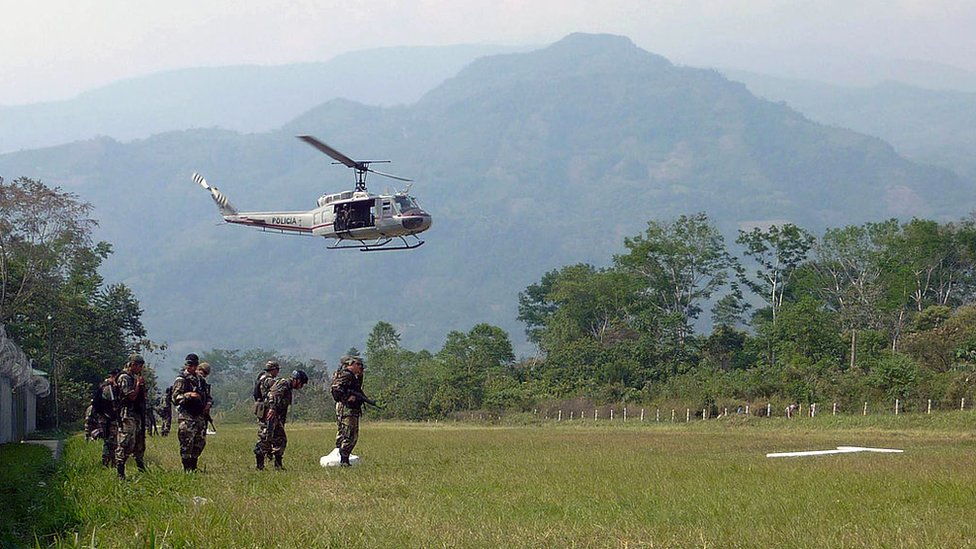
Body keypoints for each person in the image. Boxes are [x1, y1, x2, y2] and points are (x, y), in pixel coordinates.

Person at [171, 353, 212, 472]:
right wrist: (188, 395)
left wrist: (208, 404)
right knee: (186, 442)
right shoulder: (181, 379)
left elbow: (208, 396)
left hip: (199, 415)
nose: (191, 367)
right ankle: (187, 468)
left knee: (199, 442)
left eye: (194, 365)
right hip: (187, 415)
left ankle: (194, 465)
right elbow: (175, 397)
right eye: (189, 365)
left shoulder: (200, 380)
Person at [265, 369, 309, 470]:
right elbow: (273, 394)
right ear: (296, 380)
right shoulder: (283, 384)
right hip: (271, 416)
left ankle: (276, 464)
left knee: (277, 440)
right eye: (301, 383)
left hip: (277, 417)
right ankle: (266, 465)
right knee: (271, 439)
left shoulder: (288, 388)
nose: (301, 386)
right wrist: (272, 408)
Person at [331, 355, 370, 466]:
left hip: (350, 409)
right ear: (352, 364)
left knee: (347, 434)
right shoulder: (346, 375)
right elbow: (335, 389)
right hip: (347, 409)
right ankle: (344, 460)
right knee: (349, 434)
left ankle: (343, 457)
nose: (361, 368)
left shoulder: (352, 376)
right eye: (359, 365)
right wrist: (347, 397)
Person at [115, 355, 148, 479]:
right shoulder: (124, 377)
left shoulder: (134, 377)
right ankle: (120, 471)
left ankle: (141, 467)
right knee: (126, 442)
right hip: (127, 414)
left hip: (137, 414)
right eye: (139, 366)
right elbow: (131, 396)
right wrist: (138, 385)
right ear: (133, 364)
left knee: (139, 442)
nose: (140, 369)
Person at [253, 360, 281, 470]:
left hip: (263, 410)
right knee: (266, 436)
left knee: (269, 435)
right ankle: (260, 464)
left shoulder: (261, 378)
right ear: (273, 370)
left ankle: (265, 461)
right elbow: (273, 393)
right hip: (268, 411)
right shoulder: (268, 380)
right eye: (277, 370)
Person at [92, 368, 120, 467]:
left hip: (104, 417)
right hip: (107, 418)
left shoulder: (103, 386)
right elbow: (113, 404)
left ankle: (108, 462)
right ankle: (109, 462)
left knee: (108, 440)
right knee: (111, 441)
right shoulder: (109, 388)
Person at [197, 361, 215, 433]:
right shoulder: (191, 380)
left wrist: (208, 404)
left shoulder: (203, 383)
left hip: (203, 409)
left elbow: (208, 396)